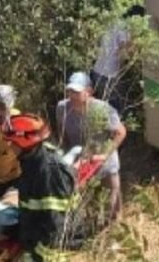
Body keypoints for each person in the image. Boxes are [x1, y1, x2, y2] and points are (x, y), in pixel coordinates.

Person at [2, 114, 76, 262]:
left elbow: (56, 225)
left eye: (11, 142)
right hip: (36, 240)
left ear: (24, 141)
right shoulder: (32, 161)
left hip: (54, 250)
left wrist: (36, 257)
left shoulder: (50, 172)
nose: (9, 146)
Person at [56, 72, 126, 220]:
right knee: (90, 208)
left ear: (89, 92)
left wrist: (105, 154)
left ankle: (115, 238)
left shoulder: (102, 109)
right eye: (70, 91)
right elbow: (63, 135)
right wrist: (66, 159)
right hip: (82, 165)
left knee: (112, 208)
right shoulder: (62, 108)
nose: (72, 96)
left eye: (76, 92)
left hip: (105, 164)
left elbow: (120, 132)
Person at [91, 5, 145, 115]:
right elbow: (127, 51)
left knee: (105, 108)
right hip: (109, 76)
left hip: (97, 72)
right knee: (116, 110)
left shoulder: (113, 24)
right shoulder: (124, 28)